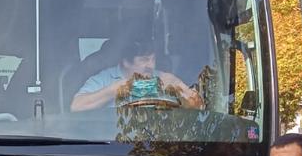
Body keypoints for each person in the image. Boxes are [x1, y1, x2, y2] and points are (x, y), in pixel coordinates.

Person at [71, 32, 204, 112]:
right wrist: (116, 90)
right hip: (113, 142)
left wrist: (178, 84)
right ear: (125, 61)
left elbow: (199, 107)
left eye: (153, 59)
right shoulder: (104, 79)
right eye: (144, 60)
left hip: (159, 145)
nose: (151, 65)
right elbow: (76, 107)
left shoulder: (164, 78)